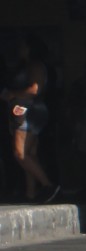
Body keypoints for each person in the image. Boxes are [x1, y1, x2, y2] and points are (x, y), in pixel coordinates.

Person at [5, 64, 59, 203]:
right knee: (30, 154)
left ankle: (48, 185)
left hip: (28, 110)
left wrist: (13, 95)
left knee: (20, 153)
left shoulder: (35, 66)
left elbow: (35, 89)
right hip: (27, 110)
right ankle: (31, 193)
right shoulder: (31, 67)